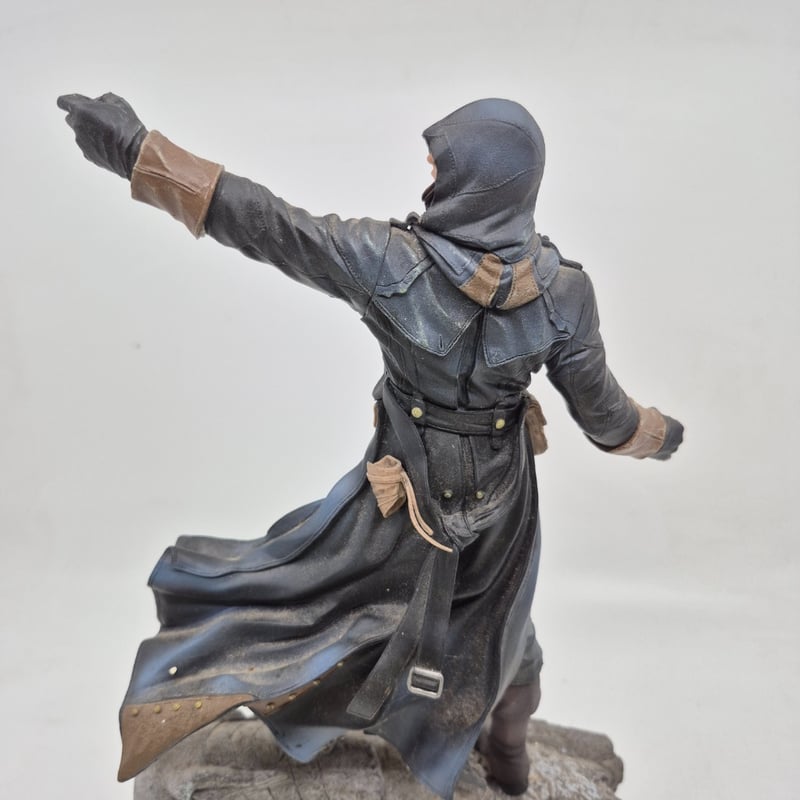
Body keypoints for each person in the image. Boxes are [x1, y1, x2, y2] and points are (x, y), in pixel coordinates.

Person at [57, 93, 683, 798]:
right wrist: (658, 435)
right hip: (488, 504)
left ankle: (493, 755)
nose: (429, 177)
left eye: (442, 166)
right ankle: (506, 757)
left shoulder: (389, 260)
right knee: (502, 637)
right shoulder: (565, 292)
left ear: (476, 180)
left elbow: (271, 225)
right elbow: (608, 419)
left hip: (405, 500)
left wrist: (139, 153)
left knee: (322, 605)